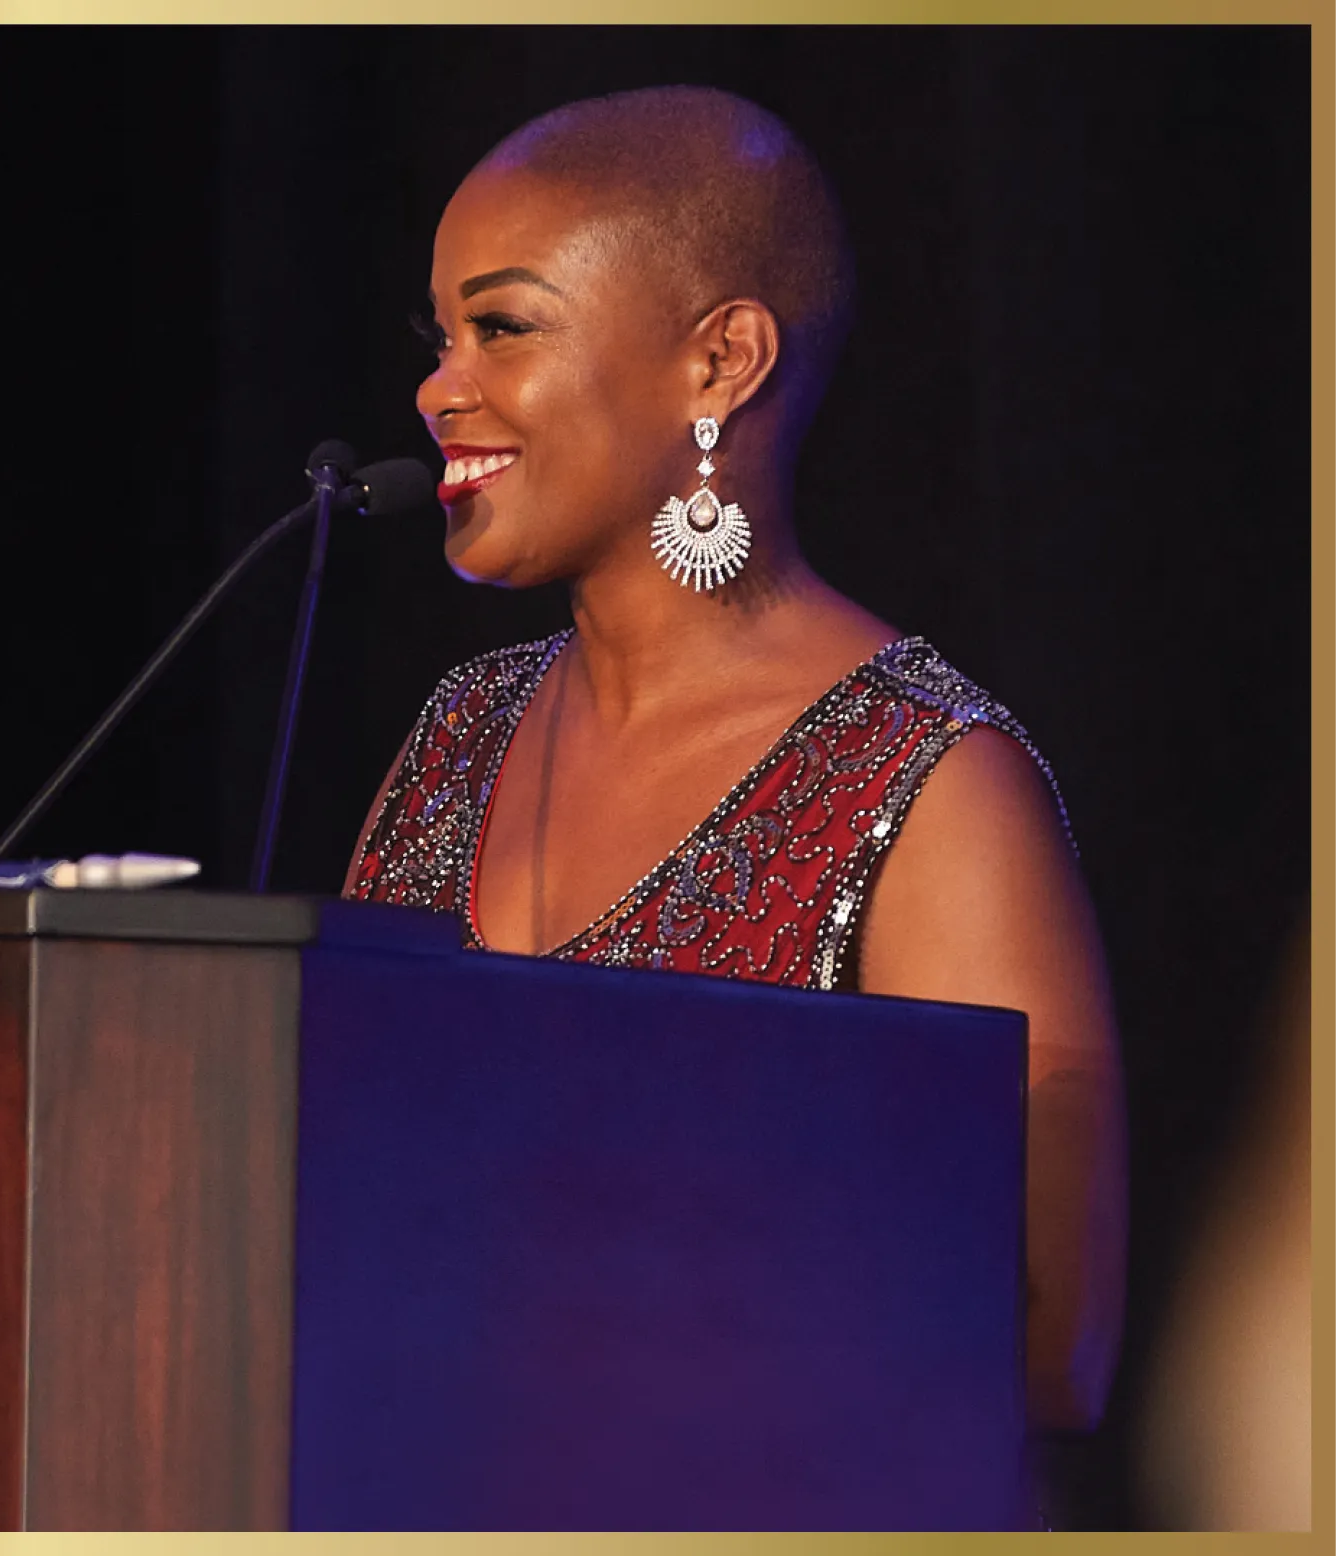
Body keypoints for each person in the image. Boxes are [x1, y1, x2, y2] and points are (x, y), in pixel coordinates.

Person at [343, 86, 1126, 1445]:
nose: (437, 386)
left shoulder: (930, 781)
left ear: (721, 364)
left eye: (502, 327)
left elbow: (1047, 1349)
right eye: (442, 334)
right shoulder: (458, 734)